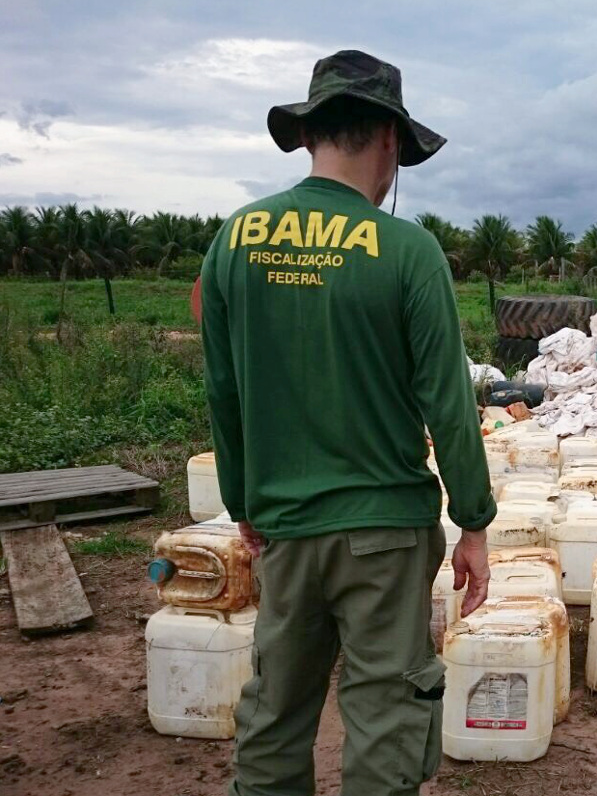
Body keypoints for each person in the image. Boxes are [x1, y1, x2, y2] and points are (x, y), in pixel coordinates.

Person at [200, 49, 496, 796]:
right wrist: (474, 522)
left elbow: (224, 392)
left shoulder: (234, 242)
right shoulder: (407, 251)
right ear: (391, 140)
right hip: (386, 538)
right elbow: (448, 404)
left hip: (286, 530)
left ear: (309, 135)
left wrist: (245, 506)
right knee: (388, 716)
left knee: (275, 713)